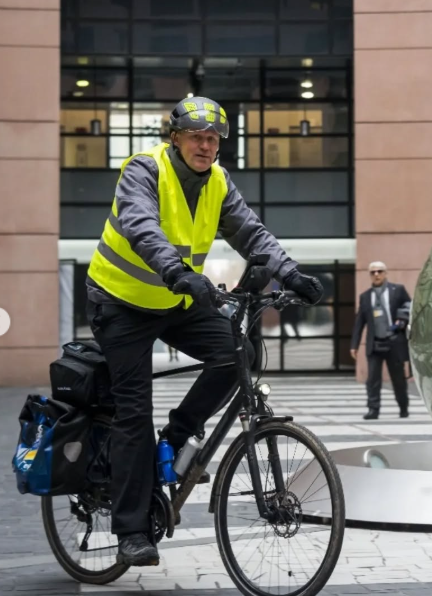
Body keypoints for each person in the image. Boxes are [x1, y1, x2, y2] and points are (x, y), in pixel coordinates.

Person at [84, 97, 323, 567]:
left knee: (240, 354)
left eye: (213, 139)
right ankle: (132, 531)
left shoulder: (217, 182)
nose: (206, 145)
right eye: (197, 136)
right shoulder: (143, 169)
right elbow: (141, 227)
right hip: (120, 303)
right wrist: (178, 273)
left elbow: (251, 234)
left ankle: (178, 432)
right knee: (133, 411)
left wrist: (291, 273)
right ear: (175, 137)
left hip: (175, 299)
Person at [350, 262, 411, 420]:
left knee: (398, 379)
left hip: (394, 342)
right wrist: (354, 345)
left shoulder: (398, 290)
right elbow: (359, 322)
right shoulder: (365, 296)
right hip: (375, 344)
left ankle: (403, 407)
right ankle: (373, 410)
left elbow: (409, 307)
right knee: (372, 380)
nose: (376, 274)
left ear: (385, 273)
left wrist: (401, 320)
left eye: (380, 271)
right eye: (373, 272)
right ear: (370, 275)